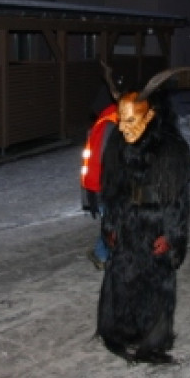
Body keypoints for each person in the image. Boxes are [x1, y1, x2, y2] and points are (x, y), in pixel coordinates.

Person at [96, 67, 190, 363]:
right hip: (127, 220)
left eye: (131, 120)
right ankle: (122, 329)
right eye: (120, 120)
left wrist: (172, 236)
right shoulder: (118, 145)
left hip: (155, 223)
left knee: (155, 280)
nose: (124, 128)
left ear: (150, 115)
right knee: (122, 274)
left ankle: (153, 336)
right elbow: (112, 189)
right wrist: (110, 225)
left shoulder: (171, 150)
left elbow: (178, 200)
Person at [81, 101, 118, 269]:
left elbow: (94, 162)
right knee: (112, 221)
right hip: (107, 186)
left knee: (111, 221)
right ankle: (102, 254)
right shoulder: (112, 123)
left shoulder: (104, 124)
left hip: (101, 186)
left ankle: (102, 255)